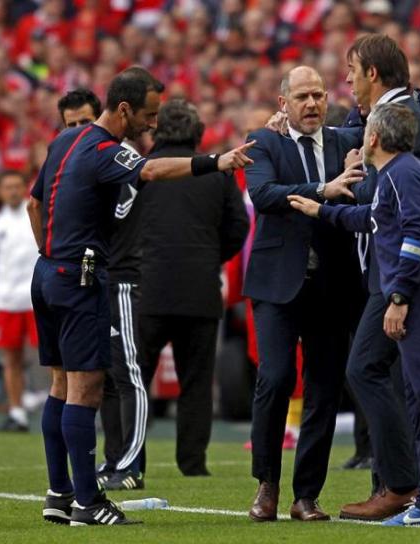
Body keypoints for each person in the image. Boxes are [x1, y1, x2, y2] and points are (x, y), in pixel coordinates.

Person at [27, 66, 255, 526]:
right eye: (149, 115)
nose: (153, 123)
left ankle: (59, 493)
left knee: (60, 385)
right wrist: (216, 162)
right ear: (124, 109)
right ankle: (88, 503)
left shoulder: (61, 142)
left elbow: (34, 204)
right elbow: (151, 170)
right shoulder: (105, 150)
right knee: (87, 388)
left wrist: (49, 254)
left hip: (48, 272)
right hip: (81, 276)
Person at [288, 102, 420, 527]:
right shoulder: (397, 173)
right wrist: (322, 210)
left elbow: (417, 234)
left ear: (374, 137)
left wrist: (399, 296)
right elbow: (373, 218)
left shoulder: (402, 174)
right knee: (419, 399)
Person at [243, 66, 362, 523]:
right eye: (302, 97)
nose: (312, 104)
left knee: (325, 390)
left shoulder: (345, 141)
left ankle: (306, 495)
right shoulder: (263, 141)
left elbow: (380, 127)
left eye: (318, 95)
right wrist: (322, 190)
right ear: (283, 104)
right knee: (275, 379)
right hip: (277, 283)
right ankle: (267, 483)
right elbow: (263, 194)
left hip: (332, 284)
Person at [139, 99, 249, 477]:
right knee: (197, 382)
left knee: (133, 381)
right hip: (199, 288)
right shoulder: (216, 172)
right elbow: (238, 226)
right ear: (197, 132)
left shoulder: (141, 171)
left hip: (147, 288)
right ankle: (193, 463)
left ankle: (127, 460)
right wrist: (211, 256)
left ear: (156, 131)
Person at [56, 87, 150, 491]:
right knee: (103, 376)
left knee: (127, 372)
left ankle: (131, 464)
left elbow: (118, 212)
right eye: (71, 125)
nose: (78, 129)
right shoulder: (72, 158)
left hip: (122, 275)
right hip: (93, 276)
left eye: (84, 121)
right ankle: (112, 461)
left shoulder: (119, 157)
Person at [0, 170, 39, 432]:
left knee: (53, 358)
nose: (13, 191)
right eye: (8, 187)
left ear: (25, 188)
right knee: (11, 360)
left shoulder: (37, 216)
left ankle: (61, 407)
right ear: (0, 192)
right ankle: (17, 413)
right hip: (8, 301)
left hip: (38, 300)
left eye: (17, 186)